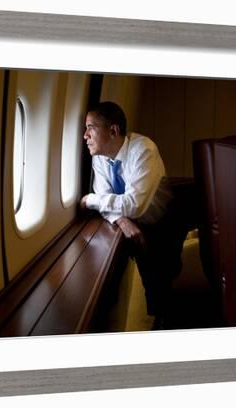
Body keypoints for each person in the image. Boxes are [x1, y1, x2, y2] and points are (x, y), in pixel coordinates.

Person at [80, 101, 186, 329]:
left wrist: (91, 200)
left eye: (90, 127)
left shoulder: (144, 150)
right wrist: (121, 220)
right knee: (146, 283)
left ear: (113, 131)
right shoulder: (99, 157)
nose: (85, 135)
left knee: (164, 282)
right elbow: (108, 199)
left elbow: (134, 204)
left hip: (162, 221)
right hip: (133, 221)